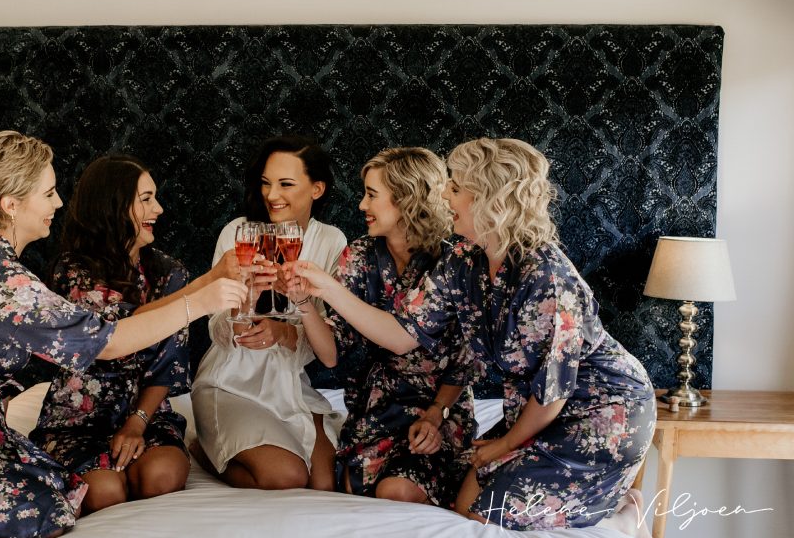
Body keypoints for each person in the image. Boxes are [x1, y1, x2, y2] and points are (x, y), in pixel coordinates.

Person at [0, 131, 245, 538]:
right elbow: (109, 341)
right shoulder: (1, 281)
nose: (58, 203)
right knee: (48, 514)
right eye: (49, 193)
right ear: (11, 204)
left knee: (66, 489)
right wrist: (202, 301)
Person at [298, 137, 655, 530]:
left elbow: (553, 392)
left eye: (455, 188)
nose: (444, 196)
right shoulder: (462, 260)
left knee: (482, 515)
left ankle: (619, 513)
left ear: (488, 198)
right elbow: (401, 335)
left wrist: (504, 444)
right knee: (464, 502)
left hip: (598, 411)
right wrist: (324, 288)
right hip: (532, 410)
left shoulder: (547, 276)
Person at [29, 154, 238, 513]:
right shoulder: (72, 272)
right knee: (105, 492)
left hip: (146, 412)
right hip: (79, 420)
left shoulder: (170, 273)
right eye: (146, 199)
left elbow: (168, 364)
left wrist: (138, 422)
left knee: (163, 476)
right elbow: (115, 333)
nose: (158, 208)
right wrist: (205, 285)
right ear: (113, 205)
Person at [290, 147, 476, 506]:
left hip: (437, 408)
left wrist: (437, 415)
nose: (362, 205)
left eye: (372, 195)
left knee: (397, 490)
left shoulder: (452, 262)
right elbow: (330, 355)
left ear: (406, 200)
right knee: (353, 489)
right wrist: (303, 303)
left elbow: (419, 345)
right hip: (375, 409)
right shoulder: (360, 255)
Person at [190, 135, 346, 491]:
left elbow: (328, 340)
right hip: (231, 382)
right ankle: (203, 449)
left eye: (285, 184)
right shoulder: (238, 233)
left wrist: (285, 332)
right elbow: (218, 328)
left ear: (317, 189)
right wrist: (248, 300)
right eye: (266, 183)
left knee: (324, 483)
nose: (272, 194)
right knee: (286, 476)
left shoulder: (331, 241)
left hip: (290, 384)